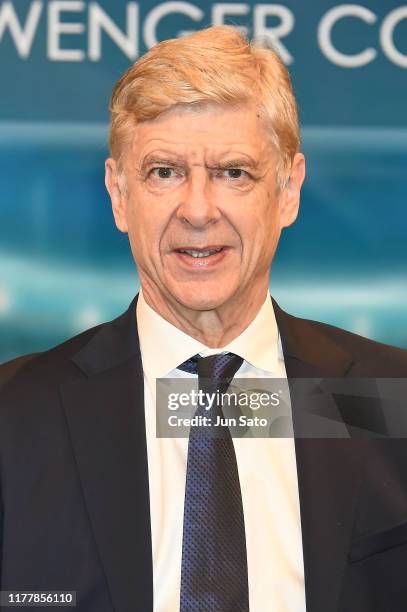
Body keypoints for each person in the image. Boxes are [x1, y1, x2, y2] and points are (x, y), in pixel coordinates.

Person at [1, 24, 407, 612]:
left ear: (288, 189)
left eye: (233, 172)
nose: (197, 210)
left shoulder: (385, 400)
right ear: (118, 194)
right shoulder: (15, 417)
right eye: (164, 171)